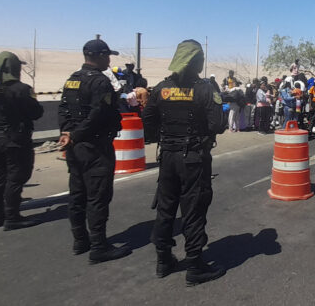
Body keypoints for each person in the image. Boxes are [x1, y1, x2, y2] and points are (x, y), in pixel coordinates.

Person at [143, 39, 226, 286]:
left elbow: (148, 120)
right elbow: (216, 125)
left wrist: (165, 135)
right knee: (193, 208)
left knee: (166, 208)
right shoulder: (205, 89)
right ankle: (194, 265)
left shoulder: (161, 88)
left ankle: (163, 260)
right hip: (194, 158)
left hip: (167, 156)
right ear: (196, 62)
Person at [57, 39, 130, 262]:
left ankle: (80, 240)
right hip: (95, 146)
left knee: (77, 194)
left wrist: (68, 133)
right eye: (107, 56)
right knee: (97, 196)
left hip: (74, 146)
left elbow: (63, 110)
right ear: (98, 56)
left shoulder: (73, 80)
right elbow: (98, 114)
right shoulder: (100, 82)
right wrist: (77, 134)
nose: (109, 60)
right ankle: (99, 246)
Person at [0, 51, 43, 230]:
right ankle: (12, 216)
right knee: (15, 177)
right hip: (15, 138)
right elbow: (36, 112)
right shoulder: (21, 89)